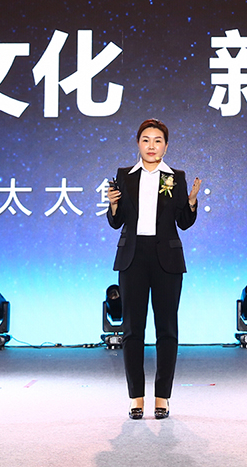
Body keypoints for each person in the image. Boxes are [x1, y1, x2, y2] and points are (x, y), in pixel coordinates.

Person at [106, 118, 201, 420]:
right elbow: (116, 222)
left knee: (167, 330)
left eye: (157, 140)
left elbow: (184, 222)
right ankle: (136, 397)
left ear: (166, 146)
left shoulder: (176, 177)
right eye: (146, 140)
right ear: (138, 143)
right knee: (132, 330)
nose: (151, 146)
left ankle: (163, 397)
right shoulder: (125, 176)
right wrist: (113, 205)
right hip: (133, 258)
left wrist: (192, 202)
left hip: (166, 260)